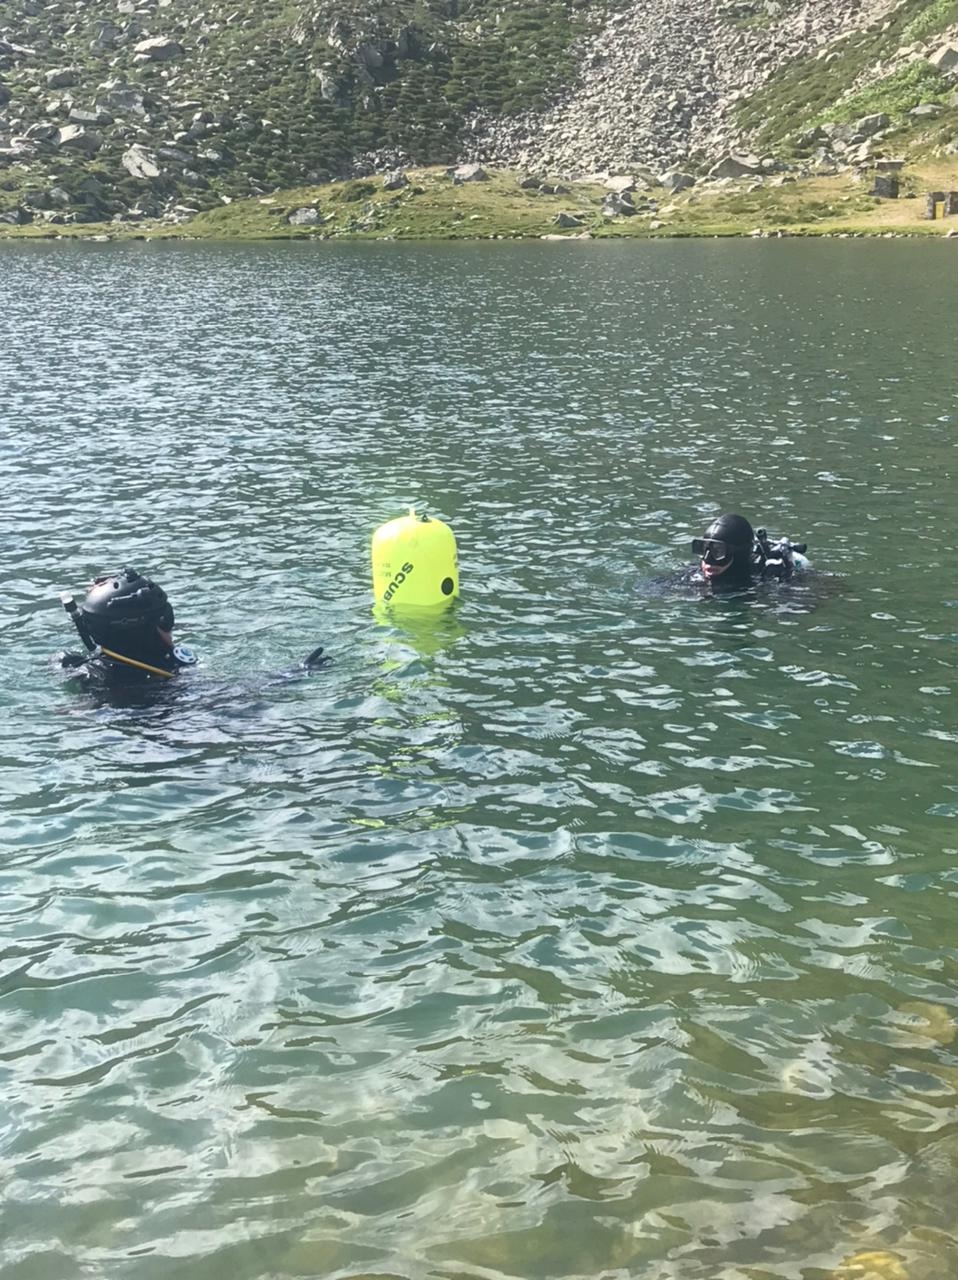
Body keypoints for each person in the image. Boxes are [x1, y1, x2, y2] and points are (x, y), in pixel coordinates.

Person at [58, 566, 325, 688]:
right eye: (166, 620)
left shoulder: (81, 667)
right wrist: (295, 674)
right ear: (146, 631)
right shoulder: (162, 681)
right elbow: (235, 696)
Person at [692, 514, 807, 591]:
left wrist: (785, 580)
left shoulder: (760, 576)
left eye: (718, 551)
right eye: (703, 549)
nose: (708, 559)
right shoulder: (694, 576)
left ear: (738, 553)